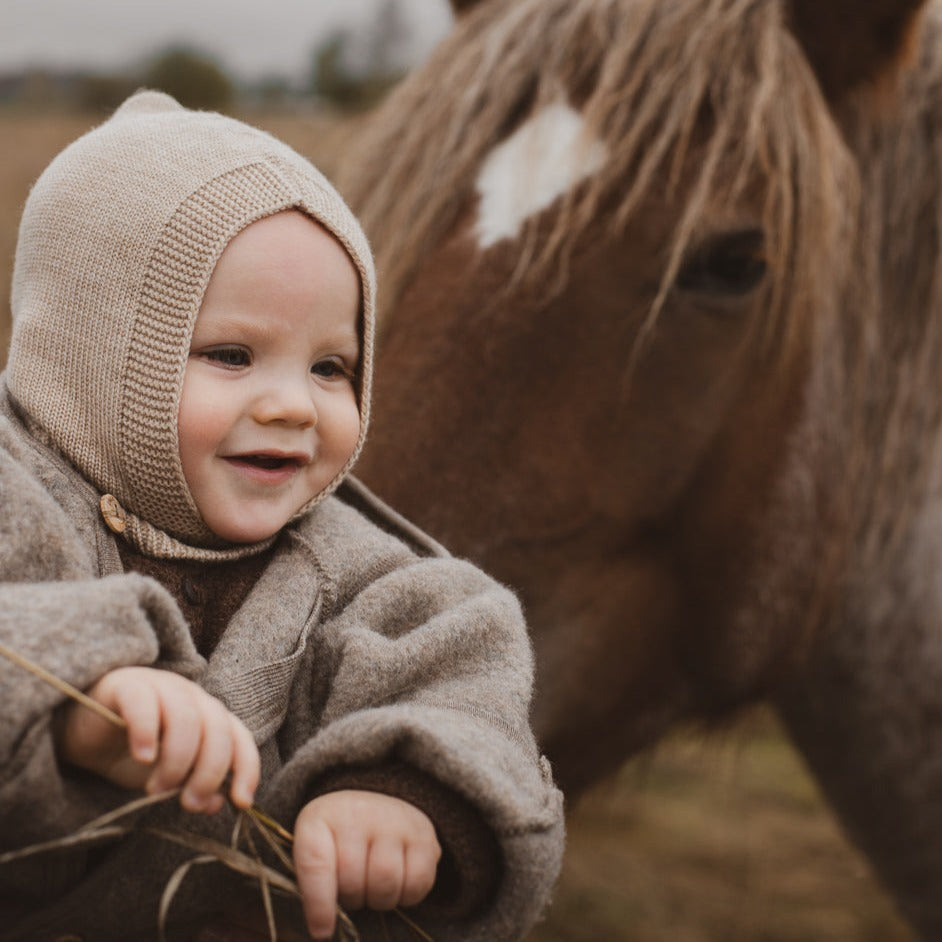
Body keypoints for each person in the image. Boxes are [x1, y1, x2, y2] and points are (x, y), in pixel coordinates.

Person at [0, 90, 564, 942]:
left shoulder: (353, 567)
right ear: (90, 355)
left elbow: (458, 677)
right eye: (233, 355)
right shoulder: (19, 498)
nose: (296, 406)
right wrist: (80, 700)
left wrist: (404, 793)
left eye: (332, 367)